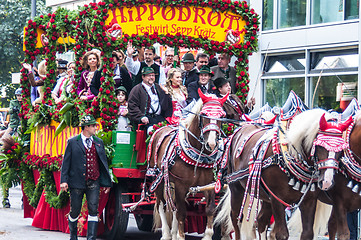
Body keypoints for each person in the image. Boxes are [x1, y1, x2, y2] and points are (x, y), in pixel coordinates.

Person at [60, 115, 112, 240]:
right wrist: (64, 181)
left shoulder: (98, 142)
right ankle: (73, 237)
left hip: (94, 181)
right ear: (86, 127)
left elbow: (103, 163)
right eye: (93, 125)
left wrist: (107, 183)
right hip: (76, 182)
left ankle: (91, 238)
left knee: (94, 209)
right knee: (75, 211)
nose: (95, 128)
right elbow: (66, 163)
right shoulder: (72, 142)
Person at [128, 67, 172, 133]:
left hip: (159, 118)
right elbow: (132, 106)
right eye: (149, 75)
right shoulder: (137, 89)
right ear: (143, 77)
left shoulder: (158, 88)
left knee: (169, 131)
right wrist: (141, 117)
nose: (151, 77)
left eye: (153, 75)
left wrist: (166, 94)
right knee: (152, 132)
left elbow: (165, 106)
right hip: (146, 120)